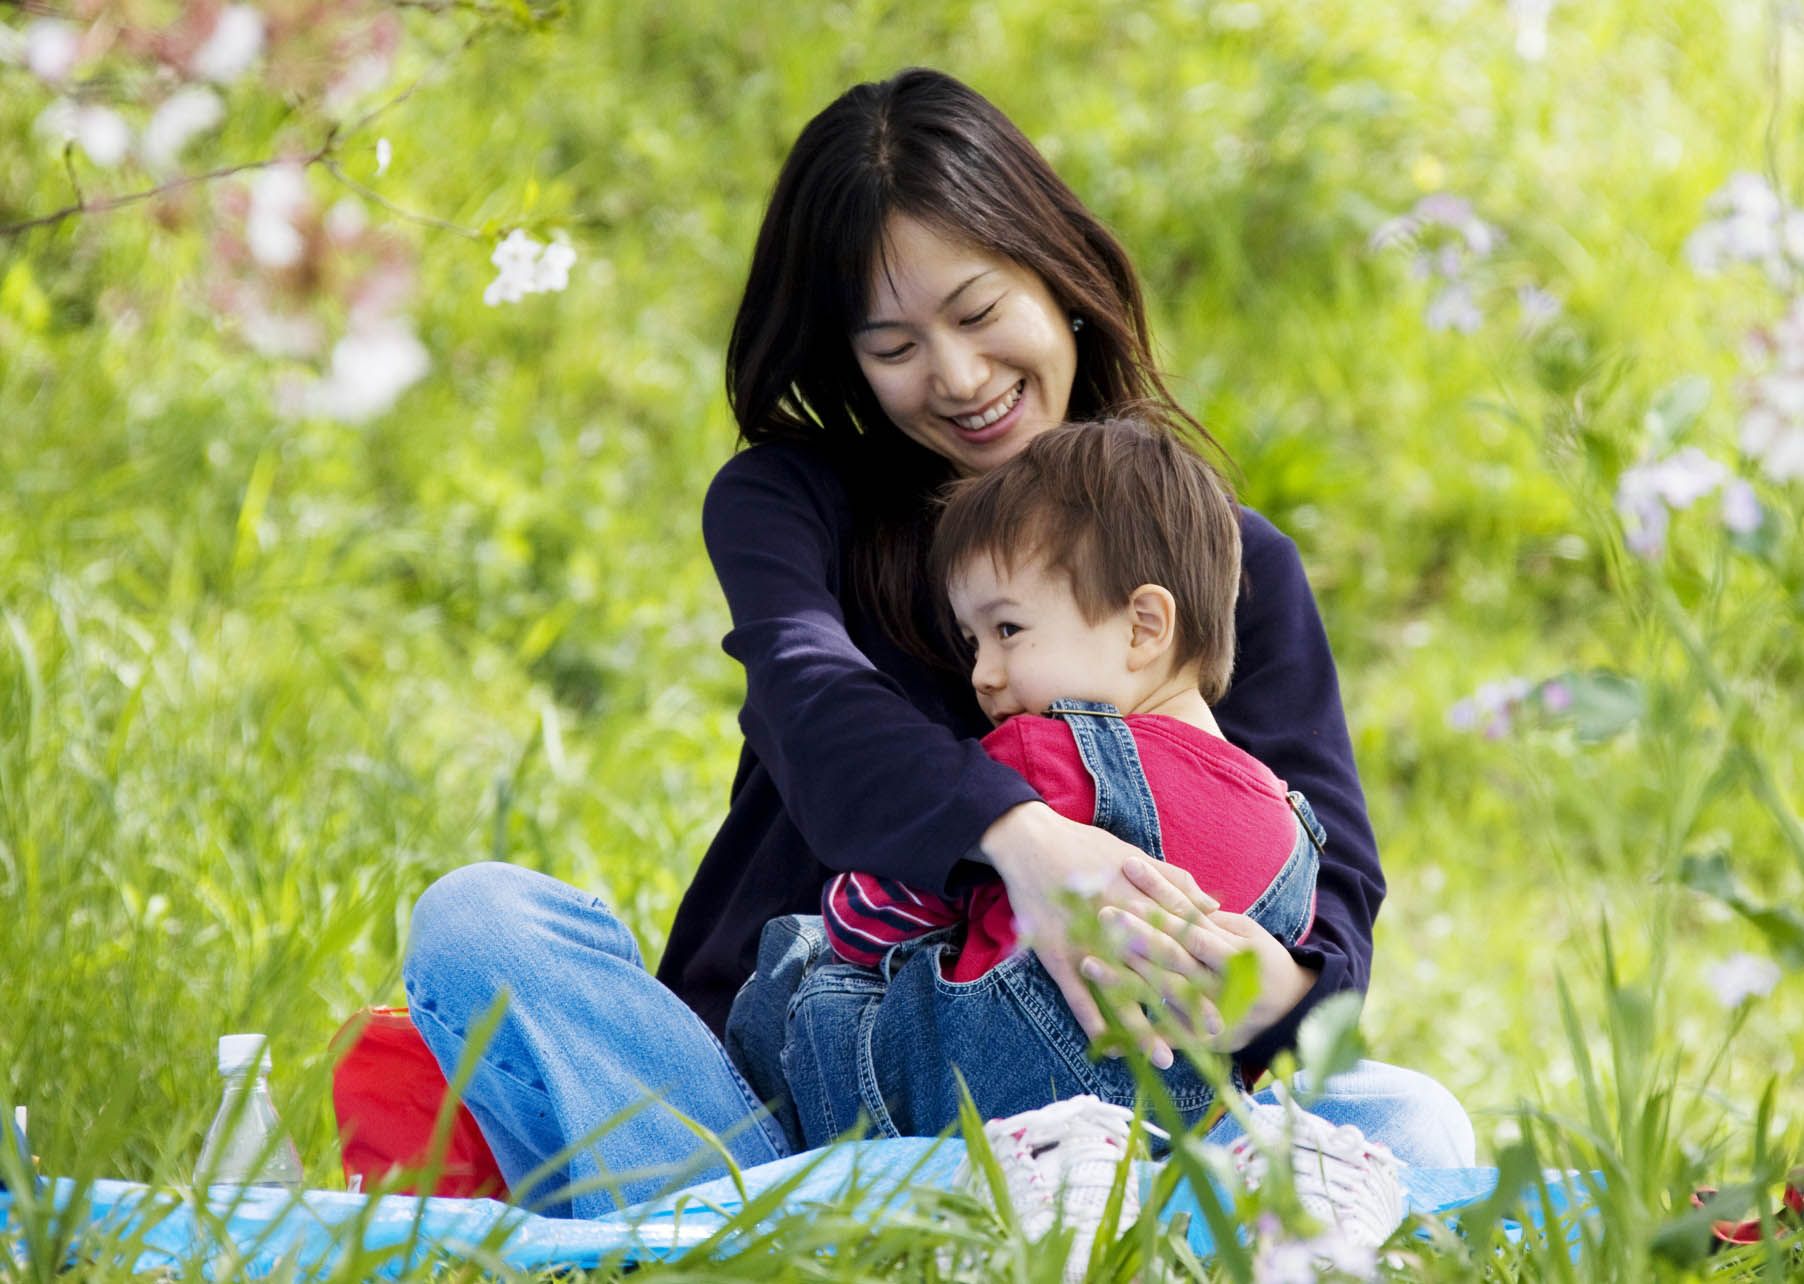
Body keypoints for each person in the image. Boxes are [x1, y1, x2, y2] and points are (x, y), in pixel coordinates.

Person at [401, 67, 1474, 1220]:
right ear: (847, 358)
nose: (957, 379)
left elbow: (1334, 890)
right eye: (893, 344)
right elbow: (816, 711)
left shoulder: (1221, 558)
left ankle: (833, 1221)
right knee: (479, 920)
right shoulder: (792, 502)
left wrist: (1262, 986)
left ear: (1059, 280)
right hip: (776, 1099)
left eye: (977, 313)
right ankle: (864, 1208)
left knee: (1409, 1120)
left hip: (1108, 1103)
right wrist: (1034, 850)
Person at [728, 416, 1326, 1148]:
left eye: (1007, 630)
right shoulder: (1289, 828)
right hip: (1165, 1141)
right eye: (973, 642)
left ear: (1143, 626)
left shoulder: (1047, 754)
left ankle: (747, 1156)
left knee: (802, 962)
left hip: (955, 1116)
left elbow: (870, 913)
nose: (982, 673)